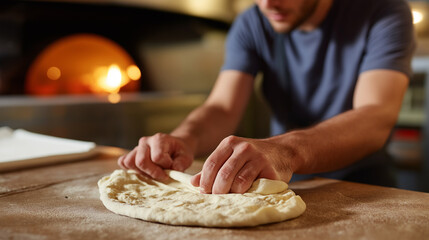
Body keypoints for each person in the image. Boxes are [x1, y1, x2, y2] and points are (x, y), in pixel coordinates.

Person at [118, 0, 415, 194]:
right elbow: (222, 107)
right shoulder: (253, 23)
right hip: (276, 181)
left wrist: (285, 151)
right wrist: (184, 139)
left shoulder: (383, 12)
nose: (267, 4)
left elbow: (375, 116)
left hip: (362, 181)